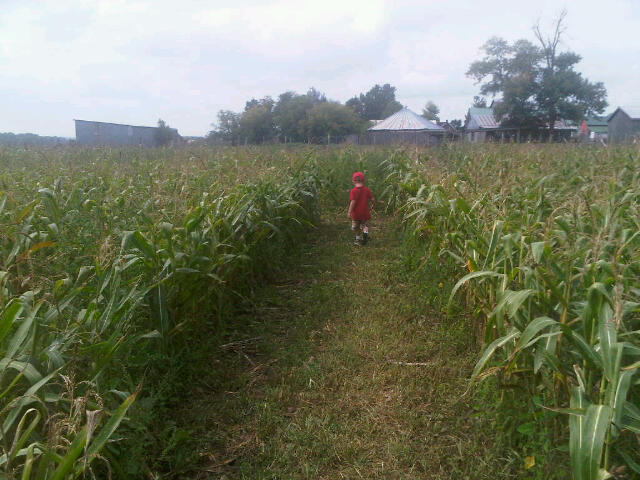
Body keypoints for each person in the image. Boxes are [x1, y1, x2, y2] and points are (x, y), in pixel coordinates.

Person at [348, 171, 375, 245]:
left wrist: (349, 211)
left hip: (356, 213)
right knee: (365, 225)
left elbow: (353, 202)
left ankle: (357, 239)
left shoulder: (353, 191)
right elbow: (372, 199)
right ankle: (365, 233)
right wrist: (372, 205)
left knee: (356, 227)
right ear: (363, 180)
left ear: (353, 181)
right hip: (365, 212)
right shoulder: (366, 190)